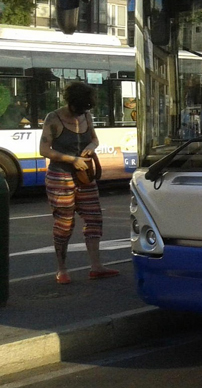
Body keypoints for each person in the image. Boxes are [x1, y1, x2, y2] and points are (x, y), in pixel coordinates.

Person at [39, 82, 119, 284]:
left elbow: (94, 139)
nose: (80, 113)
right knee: (64, 223)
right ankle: (62, 269)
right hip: (61, 177)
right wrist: (72, 159)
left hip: (85, 178)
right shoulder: (53, 118)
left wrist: (91, 147)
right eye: (78, 108)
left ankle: (96, 266)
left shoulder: (86, 115)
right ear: (70, 102)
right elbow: (44, 150)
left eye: (85, 109)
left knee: (94, 219)